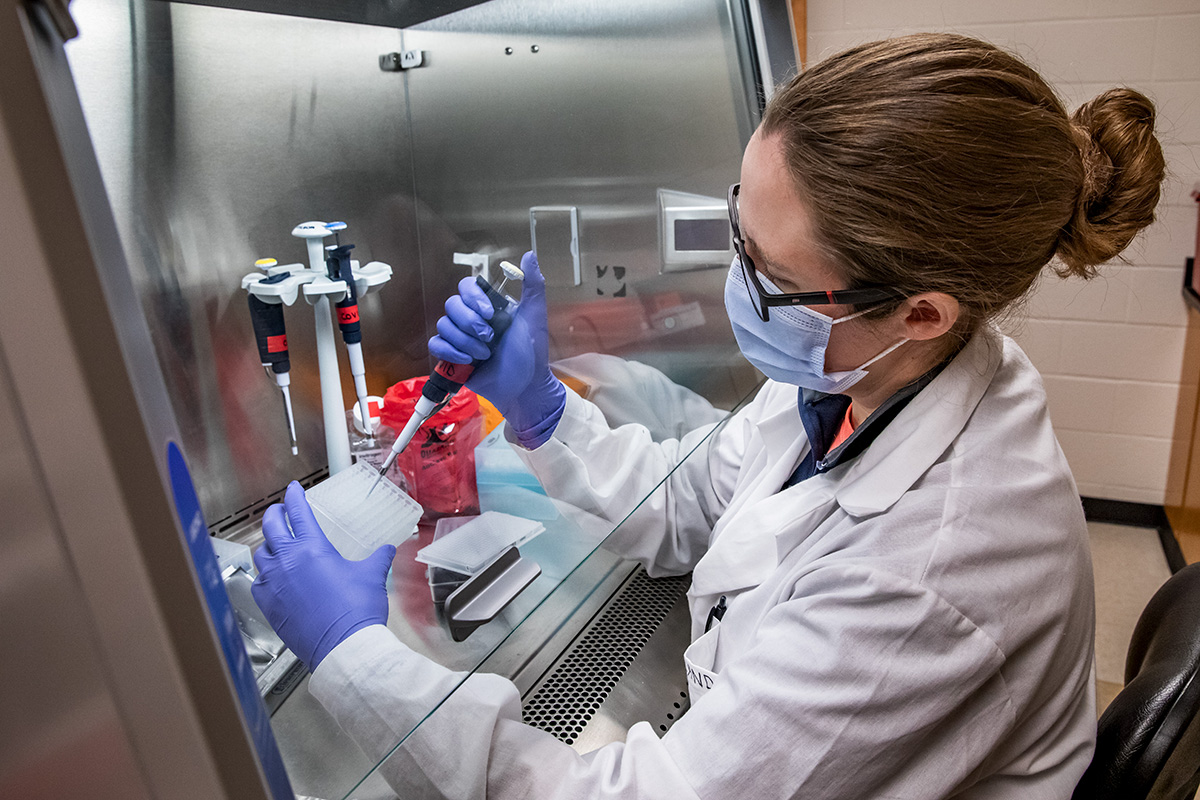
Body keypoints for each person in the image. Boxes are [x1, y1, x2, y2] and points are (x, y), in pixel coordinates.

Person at [252, 33, 1166, 799]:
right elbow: (692, 503)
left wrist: (353, 656)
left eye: (765, 271)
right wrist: (537, 410)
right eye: (739, 224)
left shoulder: (931, 573)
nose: (736, 281)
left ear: (923, 310)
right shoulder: (868, 374)